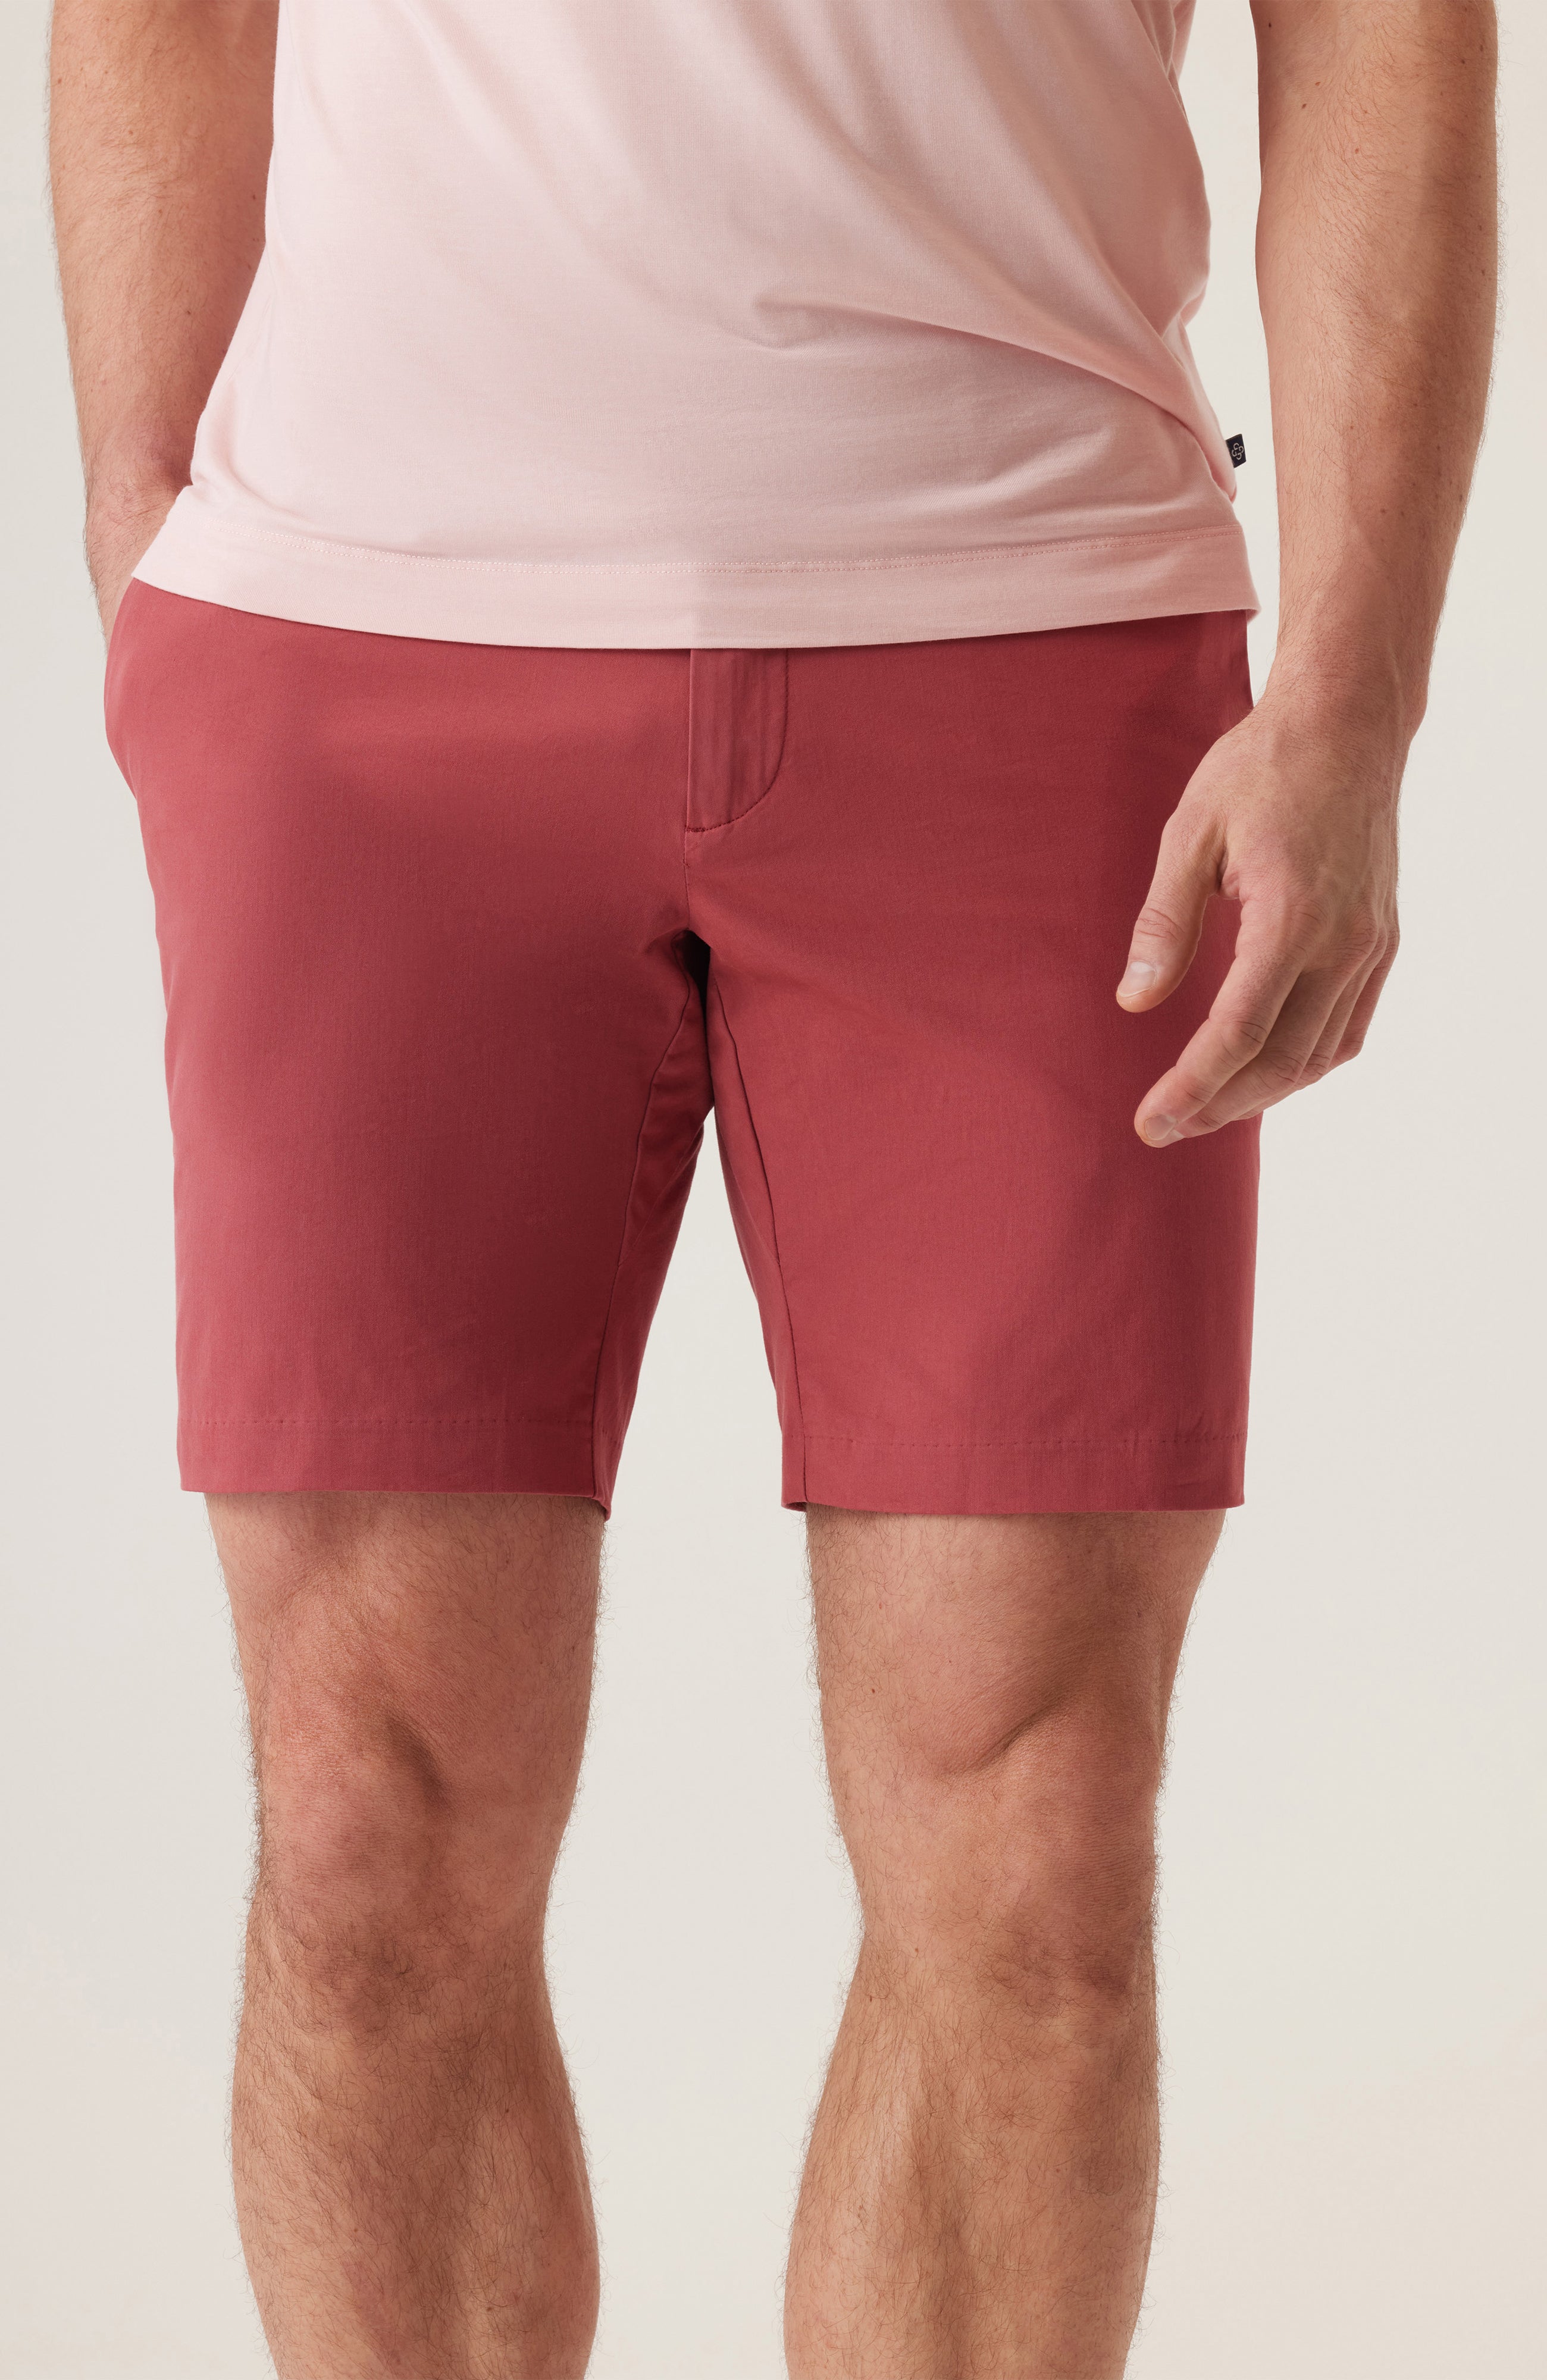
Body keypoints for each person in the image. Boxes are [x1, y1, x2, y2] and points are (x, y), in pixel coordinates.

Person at [48, 0, 1496, 2370]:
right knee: (366, 1810)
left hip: (1035, 626)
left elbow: (1382, 34)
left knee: (1035, 1846)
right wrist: (147, 530)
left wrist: (1353, 698)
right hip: (370, 627)